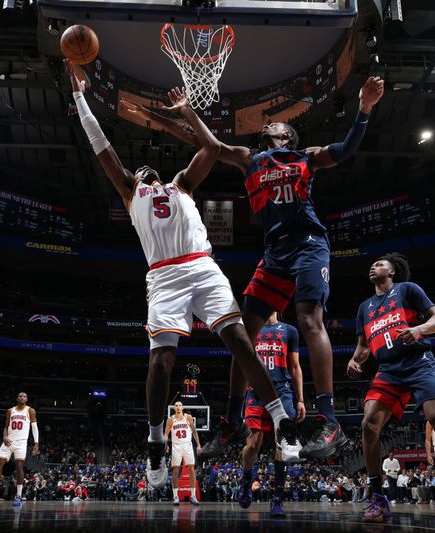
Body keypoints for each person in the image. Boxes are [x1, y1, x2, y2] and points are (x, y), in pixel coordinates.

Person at [67, 64, 300, 489]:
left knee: (241, 342)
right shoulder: (129, 189)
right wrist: (82, 98)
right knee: (162, 359)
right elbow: (101, 145)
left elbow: (209, 150)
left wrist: (186, 111)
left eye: (147, 168)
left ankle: (282, 421)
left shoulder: (182, 185)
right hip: (163, 277)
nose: (144, 169)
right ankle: (155, 440)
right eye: (139, 169)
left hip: (202, 267)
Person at [128, 76, 384, 459]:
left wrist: (364, 108)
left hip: (309, 244)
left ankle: (329, 419)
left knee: (308, 320)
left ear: (288, 134)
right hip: (275, 251)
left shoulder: (306, 156)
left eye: (275, 124)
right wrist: (160, 119)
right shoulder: (250, 157)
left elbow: (346, 150)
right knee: (243, 334)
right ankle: (232, 419)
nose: (268, 125)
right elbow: (204, 144)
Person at [347, 253, 435, 522]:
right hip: (388, 370)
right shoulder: (364, 308)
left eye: (380, 264)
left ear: (392, 272)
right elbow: (363, 347)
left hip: (417, 362)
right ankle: (378, 497)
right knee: (368, 425)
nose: (373, 266)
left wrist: (419, 330)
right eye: (373, 264)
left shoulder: (407, 290)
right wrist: (355, 360)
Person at [238, 312, 306, 517]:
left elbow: (295, 367)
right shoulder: (250, 329)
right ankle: (247, 479)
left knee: (281, 444)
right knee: (252, 444)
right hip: (255, 392)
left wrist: (301, 399)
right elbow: (241, 363)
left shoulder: (289, 331)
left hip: (282, 391)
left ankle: (277, 499)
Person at [0, 392, 39, 507]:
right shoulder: (10, 410)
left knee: (19, 466)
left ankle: (19, 495)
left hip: (21, 442)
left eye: (24, 396)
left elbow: (34, 428)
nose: (22, 397)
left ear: (27, 399)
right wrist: (4, 436)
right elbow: (6, 426)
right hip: (8, 441)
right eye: (20, 396)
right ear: (17, 398)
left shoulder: (30, 410)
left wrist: (36, 443)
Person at [164, 401, 201, 506]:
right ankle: (175, 496)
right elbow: (166, 434)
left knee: (191, 470)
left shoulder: (188, 417)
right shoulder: (171, 420)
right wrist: (165, 445)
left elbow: (194, 431)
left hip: (187, 445)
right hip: (176, 446)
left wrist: (198, 444)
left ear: (182, 407)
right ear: (174, 408)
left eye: (180, 405)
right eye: (176, 406)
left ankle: (193, 496)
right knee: (175, 471)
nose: (178, 407)